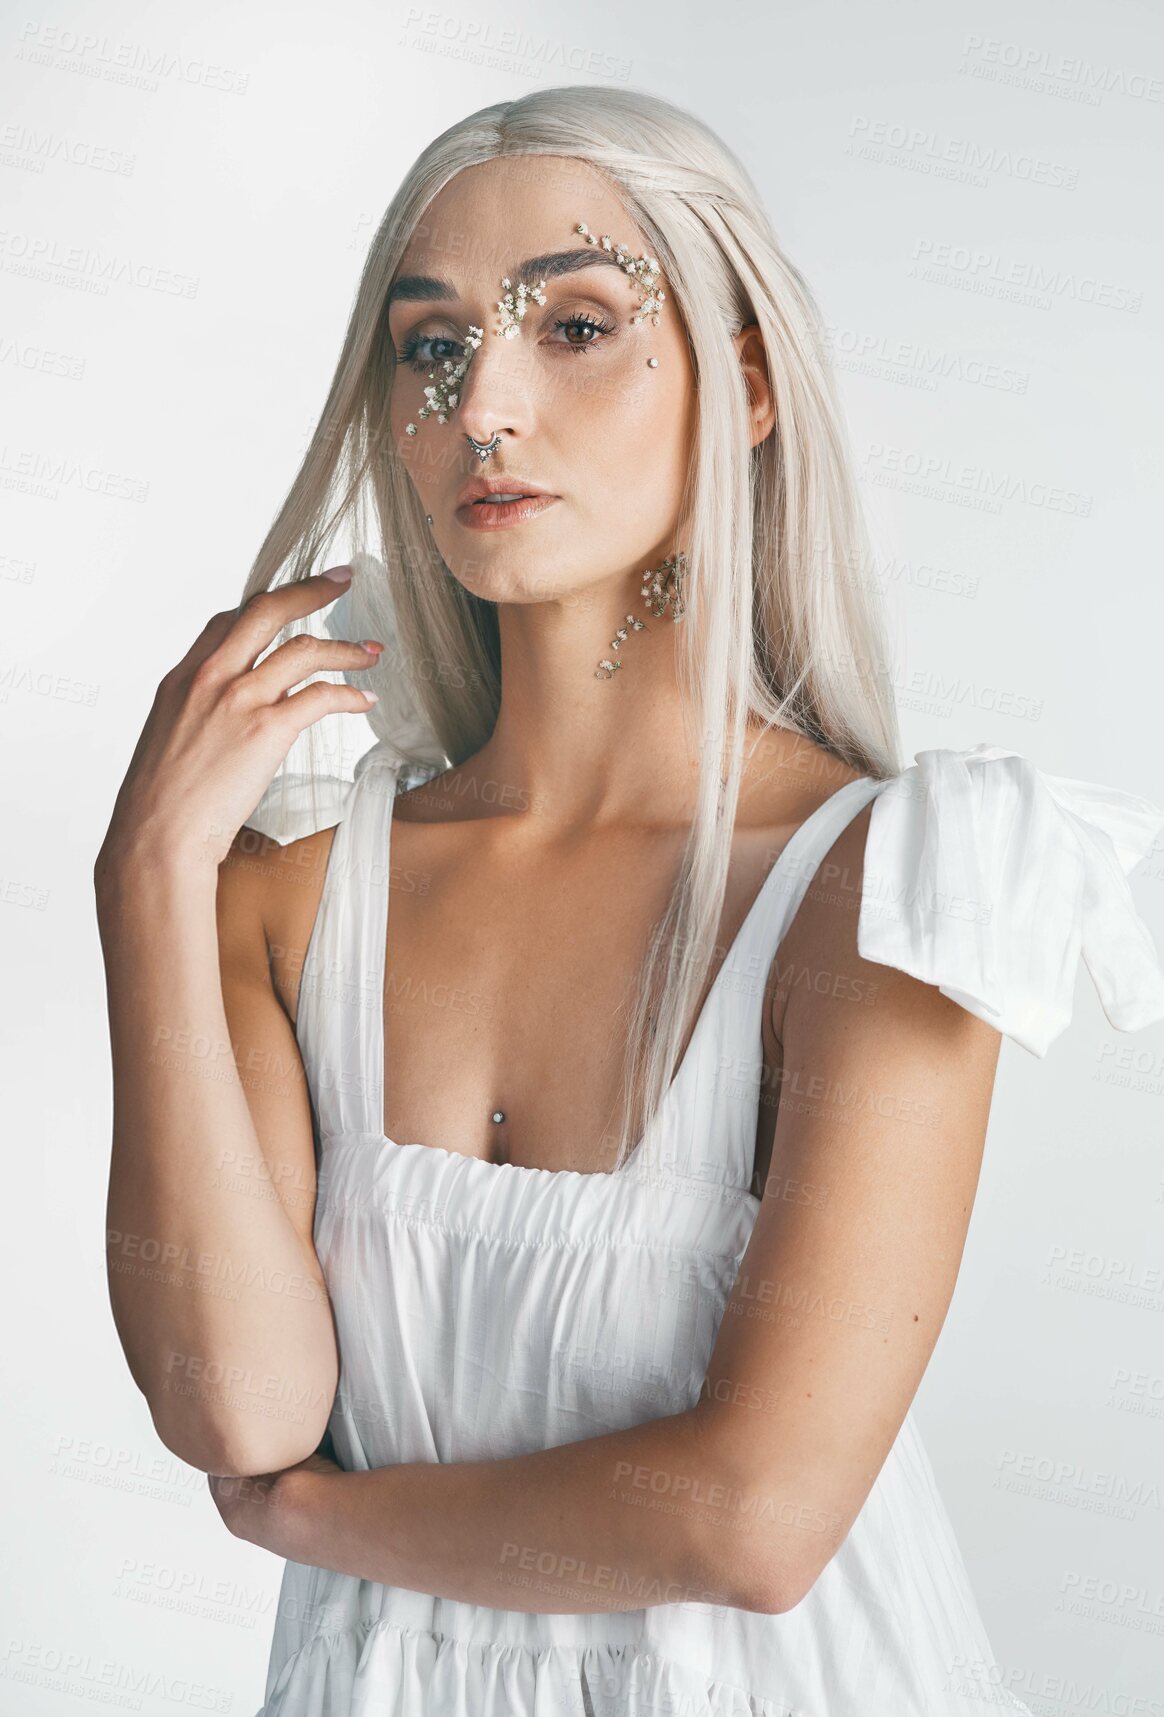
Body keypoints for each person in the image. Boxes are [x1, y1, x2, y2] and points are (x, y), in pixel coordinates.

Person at [95, 86, 1164, 1717]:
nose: (485, 408)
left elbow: (755, 1516)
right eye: (430, 345)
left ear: (742, 385)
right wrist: (147, 878)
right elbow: (241, 1401)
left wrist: (321, 1518)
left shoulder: (886, 885)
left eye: (576, 324)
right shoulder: (286, 892)